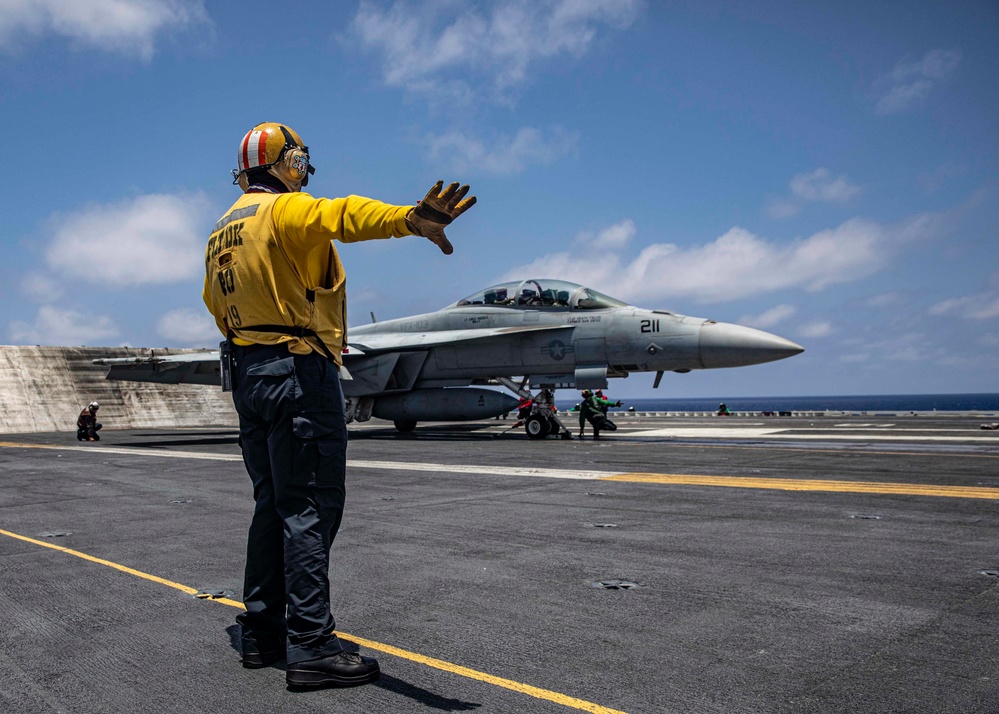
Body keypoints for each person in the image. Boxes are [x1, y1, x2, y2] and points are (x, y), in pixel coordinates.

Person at [203, 122, 475, 690]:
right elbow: (343, 215)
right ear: (287, 163)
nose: (306, 172)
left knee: (271, 504)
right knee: (309, 509)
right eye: (301, 161)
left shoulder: (223, 228)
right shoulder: (285, 211)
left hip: (250, 375)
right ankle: (311, 644)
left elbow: (214, 301)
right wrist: (409, 219)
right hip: (300, 370)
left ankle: (262, 631)